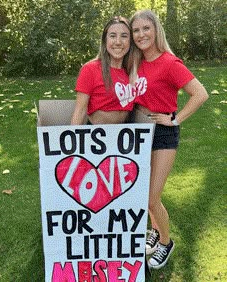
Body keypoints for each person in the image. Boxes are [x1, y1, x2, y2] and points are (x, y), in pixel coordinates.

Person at [129, 10, 209, 270]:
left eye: (145, 29)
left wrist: (175, 119)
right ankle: (154, 230)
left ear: (156, 31)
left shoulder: (169, 63)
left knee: (152, 198)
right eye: (136, 30)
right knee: (144, 194)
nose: (141, 35)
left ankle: (165, 242)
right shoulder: (135, 62)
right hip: (139, 132)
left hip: (163, 134)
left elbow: (200, 94)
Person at [71, 16, 135, 125]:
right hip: (96, 137)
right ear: (105, 41)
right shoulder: (90, 69)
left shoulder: (132, 71)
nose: (118, 42)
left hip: (124, 136)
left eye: (124, 36)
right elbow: (80, 111)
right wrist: (72, 139)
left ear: (130, 42)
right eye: (112, 36)